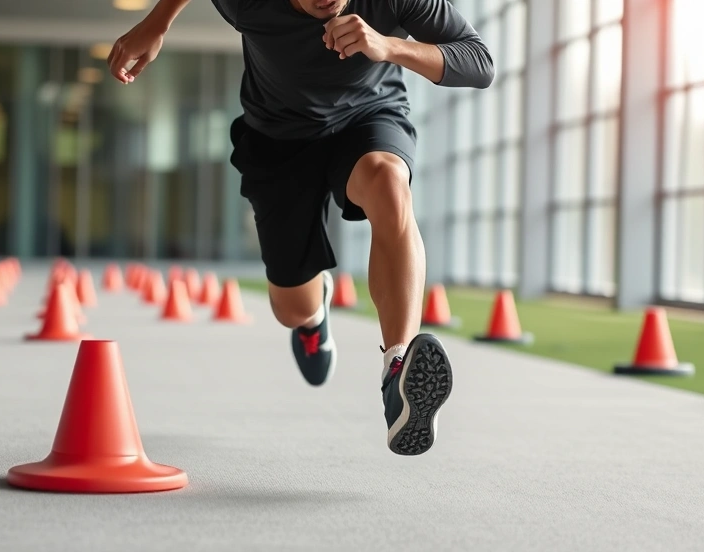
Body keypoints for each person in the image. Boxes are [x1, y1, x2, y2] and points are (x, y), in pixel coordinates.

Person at [107, 0, 494, 456]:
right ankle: (313, 316)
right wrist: (156, 24)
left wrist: (388, 46)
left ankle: (397, 372)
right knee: (291, 307)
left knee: (390, 184)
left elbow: (480, 62)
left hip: (367, 117)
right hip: (278, 139)